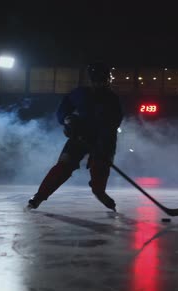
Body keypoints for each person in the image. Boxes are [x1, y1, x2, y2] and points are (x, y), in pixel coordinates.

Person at [26, 62, 123, 211]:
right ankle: (39, 196)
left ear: (107, 80)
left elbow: (113, 124)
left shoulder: (112, 100)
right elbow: (63, 111)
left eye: (102, 80)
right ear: (91, 79)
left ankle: (99, 192)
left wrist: (101, 146)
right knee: (63, 166)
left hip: (104, 140)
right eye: (96, 80)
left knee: (100, 170)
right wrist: (67, 120)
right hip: (80, 135)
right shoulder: (80, 93)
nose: (99, 83)